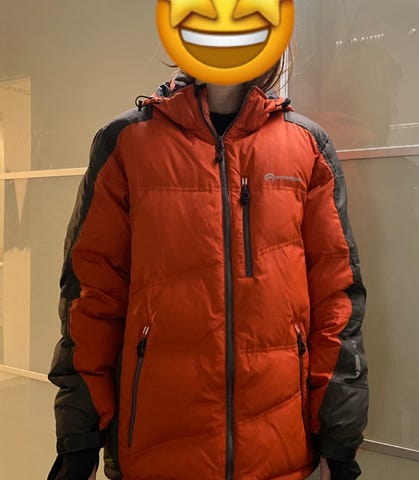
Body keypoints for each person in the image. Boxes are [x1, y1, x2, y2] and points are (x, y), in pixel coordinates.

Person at [47, 50, 368, 480]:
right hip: (155, 448)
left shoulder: (307, 144)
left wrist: (339, 440)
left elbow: (337, 298)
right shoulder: (127, 141)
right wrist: (79, 439)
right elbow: (91, 295)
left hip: (278, 449)